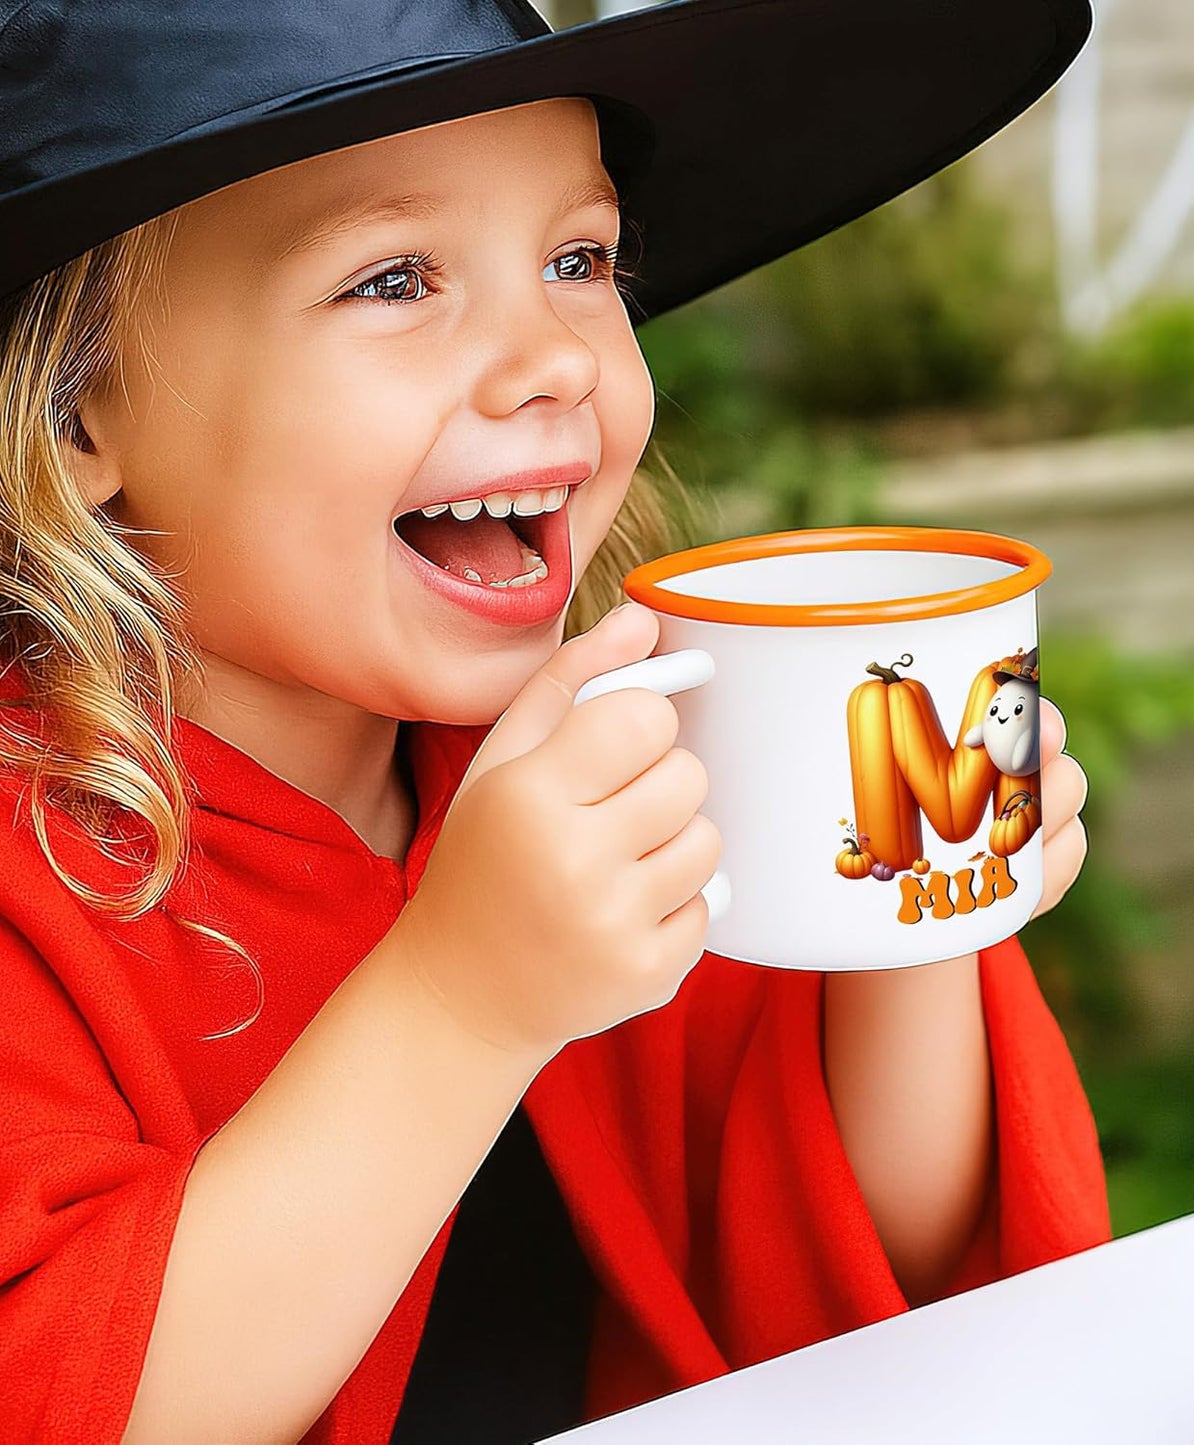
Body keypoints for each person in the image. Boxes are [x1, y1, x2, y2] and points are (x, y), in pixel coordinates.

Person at [0, 1, 1110, 1441]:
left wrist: (917, 904)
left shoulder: (632, 755)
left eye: (579, 259)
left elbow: (891, 1272)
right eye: (395, 278)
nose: (556, 358)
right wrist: (467, 999)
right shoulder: (34, 880)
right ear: (82, 413)